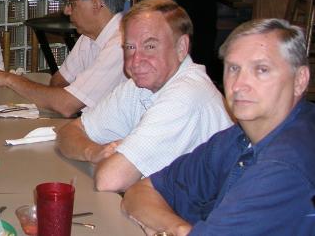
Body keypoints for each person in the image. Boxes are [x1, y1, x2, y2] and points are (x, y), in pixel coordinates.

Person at [122, 18, 315, 235]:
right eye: (233, 68)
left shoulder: (286, 165)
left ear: (300, 80)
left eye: (261, 70)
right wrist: (178, 229)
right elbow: (140, 192)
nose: (239, 85)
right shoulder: (235, 138)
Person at [55, 0, 232, 192]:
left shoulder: (186, 95)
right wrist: (94, 151)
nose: (136, 60)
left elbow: (110, 180)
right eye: (130, 47)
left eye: (150, 46)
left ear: (181, 47)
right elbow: (67, 133)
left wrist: (114, 159)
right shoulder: (139, 86)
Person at [0, 0, 128, 117]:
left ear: (96, 4)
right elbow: (58, 81)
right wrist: (67, 98)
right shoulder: (89, 36)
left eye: (71, 3)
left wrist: (9, 79)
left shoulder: (122, 45)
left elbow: (66, 105)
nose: (66, 10)